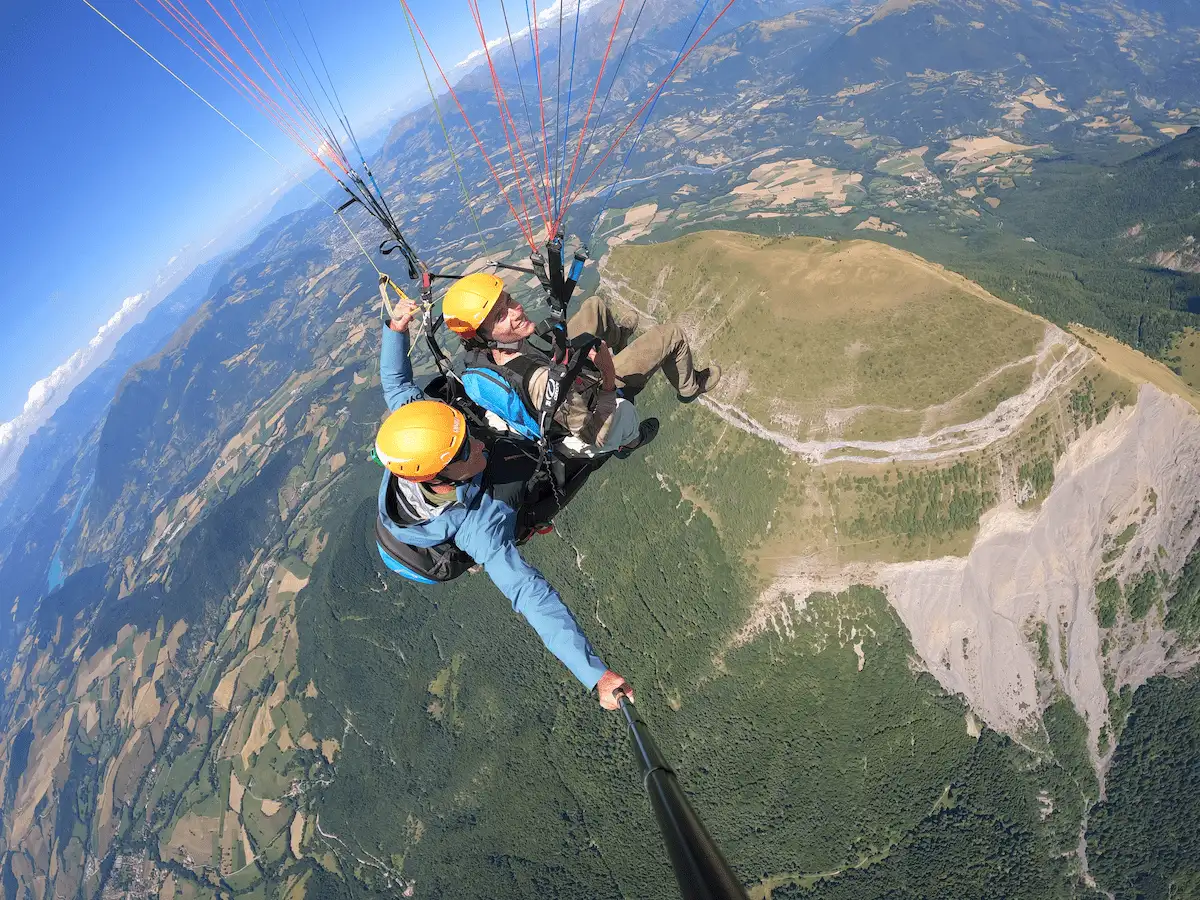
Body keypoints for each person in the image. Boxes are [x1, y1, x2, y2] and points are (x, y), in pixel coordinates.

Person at [374, 298, 631, 709]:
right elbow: (530, 596)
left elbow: (397, 387)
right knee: (579, 460)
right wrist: (594, 674)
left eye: (465, 435)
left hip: (428, 503)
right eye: (464, 453)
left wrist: (396, 330)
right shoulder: (480, 528)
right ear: (438, 478)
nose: (477, 443)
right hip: (476, 525)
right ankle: (615, 446)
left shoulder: (424, 439)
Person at [443, 273, 721, 456]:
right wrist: (608, 373)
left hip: (567, 371)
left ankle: (617, 341)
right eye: (501, 316)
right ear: (483, 337)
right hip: (594, 393)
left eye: (510, 301)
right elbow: (592, 432)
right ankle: (688, 388)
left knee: (595, 307)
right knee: (671, 335)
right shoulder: (539, 383)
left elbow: (543, 358)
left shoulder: (498, 350)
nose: (517, 311)